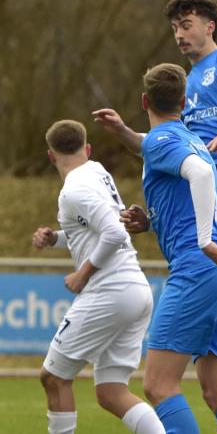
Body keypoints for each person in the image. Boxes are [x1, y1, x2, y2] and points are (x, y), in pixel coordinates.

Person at [92, 0, 217, 431]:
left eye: (186, 25)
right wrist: (126, 134)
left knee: (162, 383)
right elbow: (159, 149)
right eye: (175, 28)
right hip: (209, 215)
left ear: (210, 25)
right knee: (213, 384)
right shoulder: (183, 120)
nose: (179, 34)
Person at [125, 62, 217, 434]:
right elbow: (194, 190)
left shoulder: (161, 140)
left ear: (144, 100)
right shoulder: (191, 138)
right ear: (184, 101)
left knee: (158, 385)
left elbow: (197, 173)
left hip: (199, 267)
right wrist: (151, 222)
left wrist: (203, 241)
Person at [33, 120, 164, 434]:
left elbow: (114, 232)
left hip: (110, 289)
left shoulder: (73, 190)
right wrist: (56, 238)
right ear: (87, 149)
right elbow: (96, 229)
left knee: (53, 376)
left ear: (51, 156)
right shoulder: (97, 172)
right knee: (111, 392)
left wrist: (83, 273)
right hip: (134, 288)